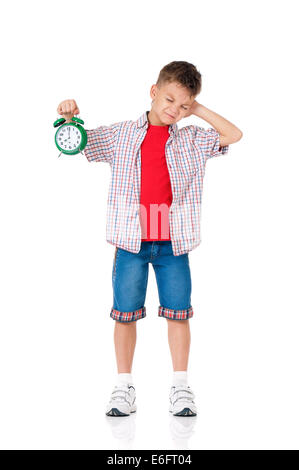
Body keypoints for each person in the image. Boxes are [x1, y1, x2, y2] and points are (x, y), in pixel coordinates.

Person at [57, 61, 243, 417]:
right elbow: (80, 143)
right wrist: (69, 118)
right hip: (131, 242)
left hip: (173, 243)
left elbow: (233, 135)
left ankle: (180, 386)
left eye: (183, 105)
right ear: (154, 91)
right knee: (124, 315)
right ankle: (123, 386)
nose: (175, 110)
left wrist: (196, 107)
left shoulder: (191, 137)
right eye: (170, 99)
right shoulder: (122, 134)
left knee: (178, 313)